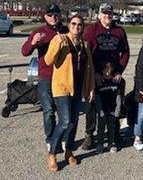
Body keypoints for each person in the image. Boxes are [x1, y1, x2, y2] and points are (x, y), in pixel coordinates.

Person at [44, 15, 95, 172]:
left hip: (78, 88)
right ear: (69, 24)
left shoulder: (84, 45)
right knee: (65, 121)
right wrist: (57, 44)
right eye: (73, 23)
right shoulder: (60, 39)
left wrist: (91, 88)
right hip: (62, 88)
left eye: (80, 24)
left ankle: (69, 151)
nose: (76, 26)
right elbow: (48, 60)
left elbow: (90, 68)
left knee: (73, 122)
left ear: (83, 27)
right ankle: (52, 153)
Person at [82, 3, 130, 150]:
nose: (107, 15)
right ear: (99, 15)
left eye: (109, 13)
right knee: (91, 105)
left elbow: (126, 52)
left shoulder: (119, 31)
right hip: (96, 75)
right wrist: (94, 72)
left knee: (114, 105)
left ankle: (114, 134)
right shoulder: (91, 30)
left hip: (113, 75)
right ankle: (90, 134)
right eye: (104, 13)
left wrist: (119, 70)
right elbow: (86, 53)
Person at [21, 4, 68, 152]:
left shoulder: (66, 31)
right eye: (50, 15)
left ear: (60, 16)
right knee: (48, 111)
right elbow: (25, 51)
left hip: (63, 78)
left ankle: (60, 138)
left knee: (63, 113)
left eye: (56, 15)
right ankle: (50, 138)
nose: (53, 18)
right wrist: (33, 42)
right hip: (46, 77)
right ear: (45, 17)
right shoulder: (40, 32)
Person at [95, 61, 123, 154]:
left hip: (112, 110)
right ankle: (100, 144)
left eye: (109, 68)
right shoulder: (100, 81)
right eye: (105, 68)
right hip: (103, 110)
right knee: (101, 128)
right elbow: (97, 98)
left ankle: (111, 143)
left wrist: (118, 109)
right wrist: (100, 110)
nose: (107, 70)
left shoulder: (115, 81)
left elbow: (118, 97)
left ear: (112, 69)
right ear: (102, 70)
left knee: (111, 127)